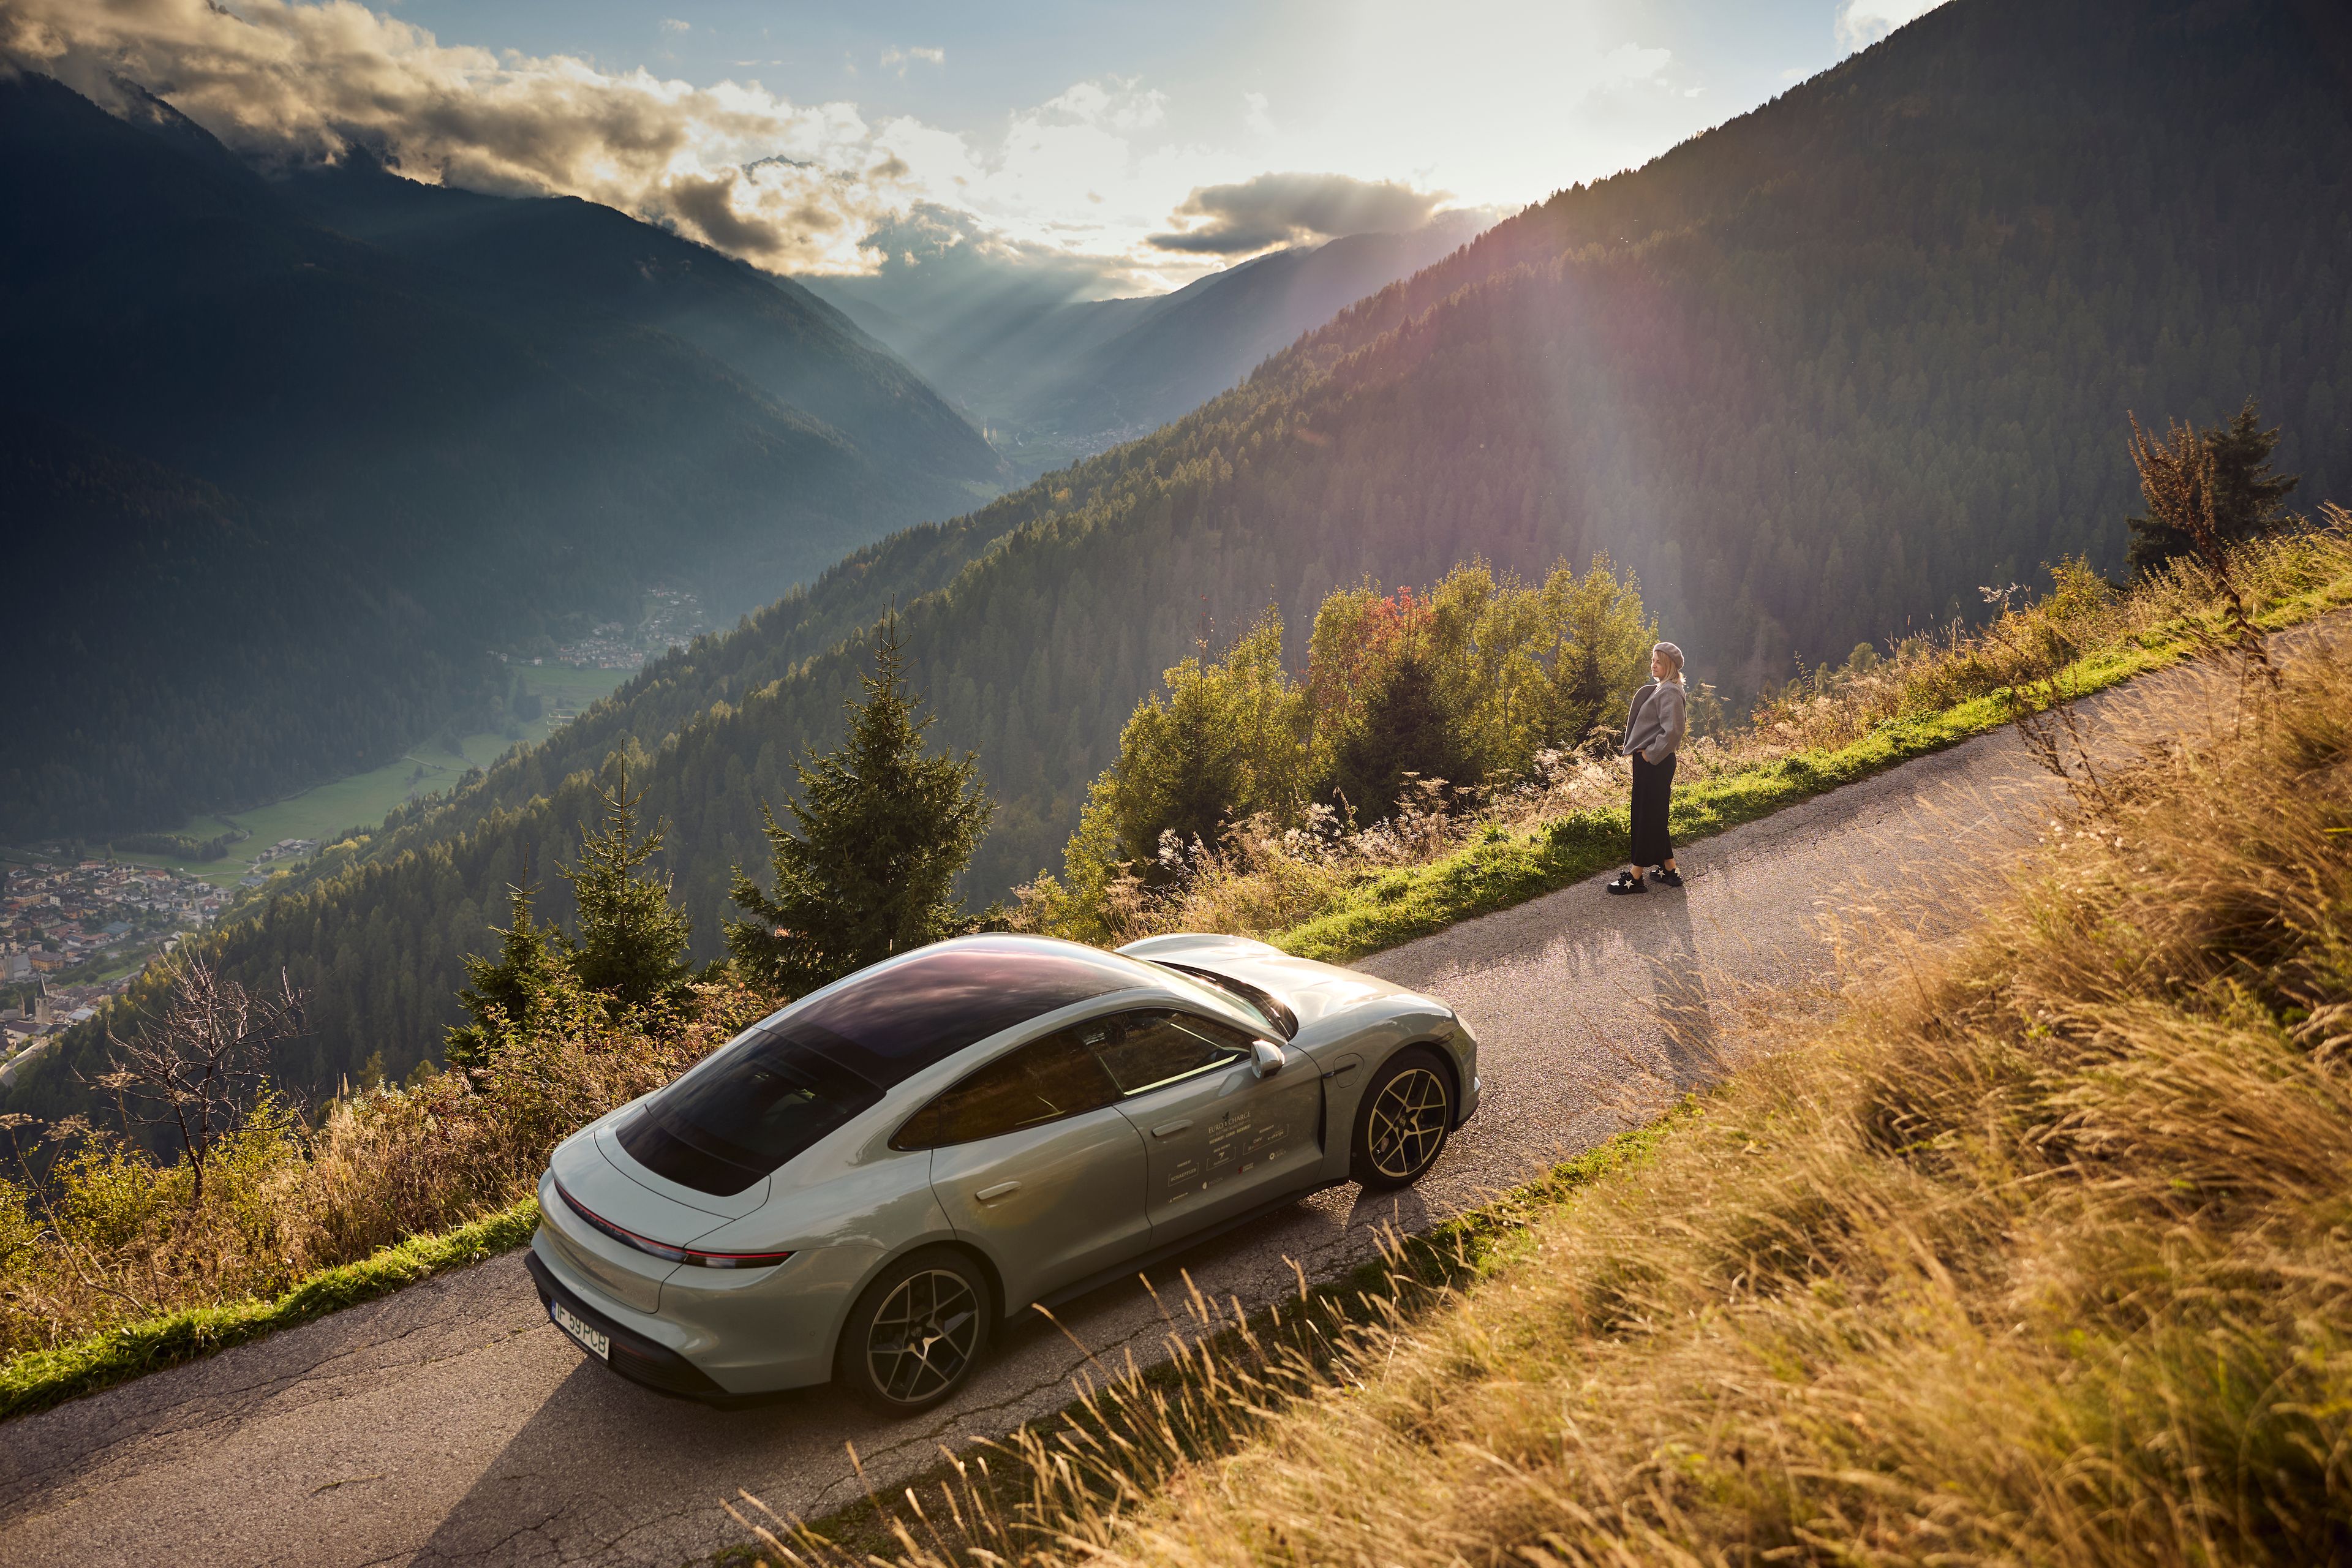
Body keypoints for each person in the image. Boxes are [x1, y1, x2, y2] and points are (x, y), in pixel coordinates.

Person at [1606, 642, 1688, 894]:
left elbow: (1673, 731)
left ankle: (1635, 876)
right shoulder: (1662, 688)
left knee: (1646, 817)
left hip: (1656, 763)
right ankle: (1669, 870)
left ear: (1670, 666)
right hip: (1652, 762)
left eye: (1659, 661)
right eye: (1653, 660)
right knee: (1654, 814)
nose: (1654, 665)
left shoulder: (1670, 692)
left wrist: (1650, 755)